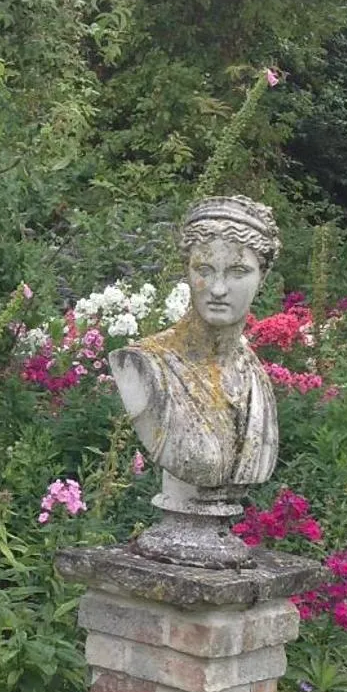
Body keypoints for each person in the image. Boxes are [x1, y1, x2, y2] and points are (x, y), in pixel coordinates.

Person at [108, 195, 280, 513]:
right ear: (187, 270)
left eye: (238, 271)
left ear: (263, 277)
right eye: (204, 269)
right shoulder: (145, 364)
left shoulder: (255, 377)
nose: (217, 289)